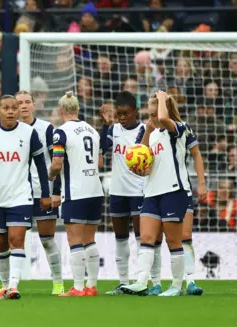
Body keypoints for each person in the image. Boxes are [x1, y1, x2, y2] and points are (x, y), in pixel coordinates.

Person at [122, 92, 207, 297]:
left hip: (174, 191)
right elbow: (140, 157)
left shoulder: (178, 128)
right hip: (151, 192)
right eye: (148, 114)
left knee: (177, 239)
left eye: (153, 114)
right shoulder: (150, 133)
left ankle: (181, 284)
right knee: (148, 238)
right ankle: (143, 281)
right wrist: (140, 166)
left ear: (163, 110)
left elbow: (195, 152)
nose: (150, 119)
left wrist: (162, 99)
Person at [0, 95, 50, 300]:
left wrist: (46, 194)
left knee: (16, 239)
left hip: (20, 196)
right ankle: (5, 285)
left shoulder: (29, 132)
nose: (11, 111)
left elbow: (41, 164)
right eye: (6, 108)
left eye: (14, 108)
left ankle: (14, 286)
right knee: (0, 242)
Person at [49, 92, 103, 297]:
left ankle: (78, 288)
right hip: (95, 190)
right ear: (77, 109)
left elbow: (57, 163)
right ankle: (91, 285)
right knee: (90, 240)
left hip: (76, 191)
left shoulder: (60, 133)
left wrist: (51, 174)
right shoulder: (93, 130)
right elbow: (99, 163)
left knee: (75, 240)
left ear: (61, 111)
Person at [98, 92, 151, 295]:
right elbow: (103, 148)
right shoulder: (114, 130)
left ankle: (142, 281)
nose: (121, 117)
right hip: (118, 191)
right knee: (120, 237)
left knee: (140, 238)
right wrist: (105, 125)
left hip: (139, 190)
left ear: (135, 112)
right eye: (119, 114)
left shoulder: (145, 130)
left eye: (125, 113)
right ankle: (122, 282)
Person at [14, 91, 64, 295]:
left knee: (47, 239)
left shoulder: (46, 128)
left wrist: (56, 191)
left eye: (27, 102)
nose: (23, 106)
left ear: (34, 105)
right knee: (13, 240)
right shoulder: (9, 131)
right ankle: (8, 284)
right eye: (19, 103)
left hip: (42, 190)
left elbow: (56, 161)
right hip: (16, 192)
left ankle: (58, 282)